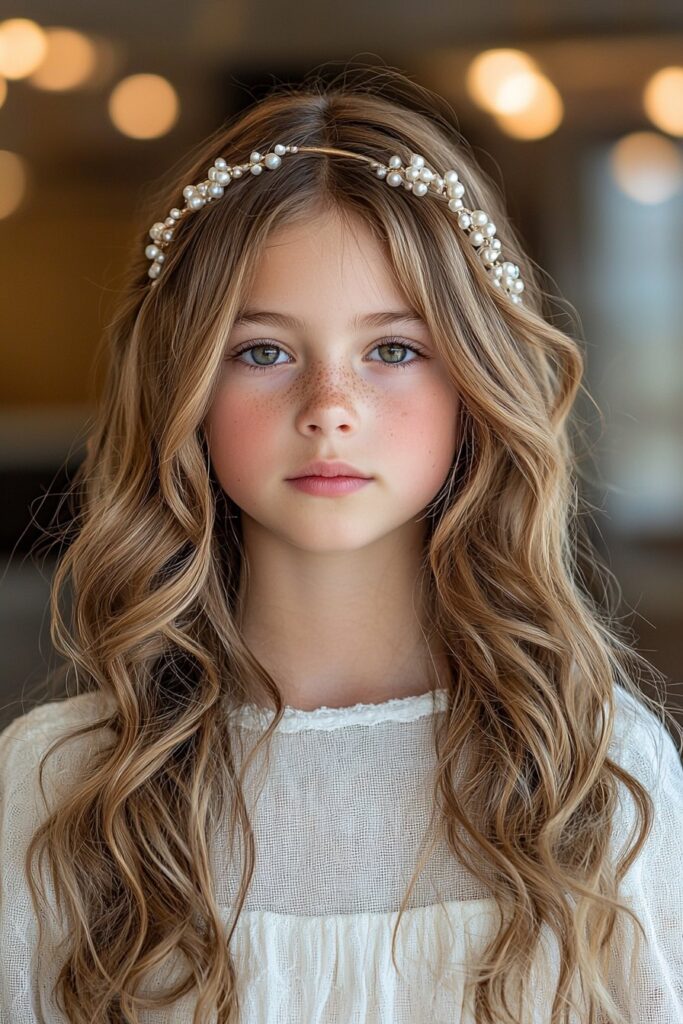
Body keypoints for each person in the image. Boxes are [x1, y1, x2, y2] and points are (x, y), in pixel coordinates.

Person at [1, 63, 681, 1024]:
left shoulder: (593, 775)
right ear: (186, 387)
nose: (329, 410)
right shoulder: (60, 788)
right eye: (264, 351)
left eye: (392, 351)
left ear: (471, 385)